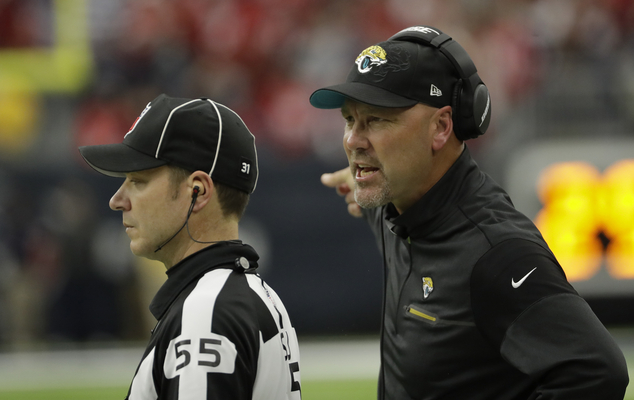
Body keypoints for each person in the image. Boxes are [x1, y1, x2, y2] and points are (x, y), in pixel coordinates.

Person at [309, 26, 628, 399]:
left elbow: (597, 373)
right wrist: (361, 179)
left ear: (441, 127)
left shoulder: (496, 253)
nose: (352, 140)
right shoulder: (396, 203)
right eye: (350, 120)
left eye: (377, 120)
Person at [79, 94, 301, 400]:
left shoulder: (206, 313)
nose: (117, 200)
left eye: (137, 180)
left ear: (197, 191)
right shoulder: (247, 293)